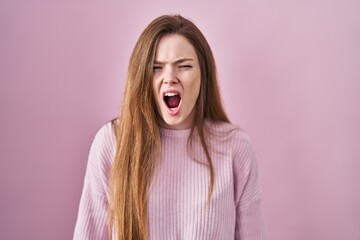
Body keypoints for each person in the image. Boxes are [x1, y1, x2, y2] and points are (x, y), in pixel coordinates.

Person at [73, 14, 267, 240]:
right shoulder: (112, 143)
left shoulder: (235, 148)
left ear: (203, 75)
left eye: (184, 66)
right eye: (156, 67)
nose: (170, 78)